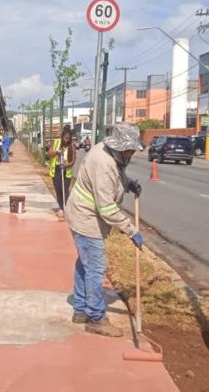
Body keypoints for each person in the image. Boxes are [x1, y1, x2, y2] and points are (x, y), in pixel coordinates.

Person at [64, 123, 144, 338]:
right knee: (96, 267)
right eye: (128, 150)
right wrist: (130, 230)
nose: (131, 154)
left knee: (85, 264)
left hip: (85, 213)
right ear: (117, 147)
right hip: (86, 218)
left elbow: (117, 179)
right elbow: (107, 208)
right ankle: (96, 318)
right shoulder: (103, 162)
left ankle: (80, 309)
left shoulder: (113, 155)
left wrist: (128, 184)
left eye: (132, 150)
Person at [45, 125, 76, 218]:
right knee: (58, 191)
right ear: (62, 136)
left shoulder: (72, 146)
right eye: (65, 138)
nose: (67, 140)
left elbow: (73, 161)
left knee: (65, 191)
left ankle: (67, 209)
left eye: (69, 139)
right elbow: (49, 154)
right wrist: (57, 152)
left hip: (66, 172)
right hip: (56, 171)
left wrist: (66, 165)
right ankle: (61, 208)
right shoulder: (56, 143)